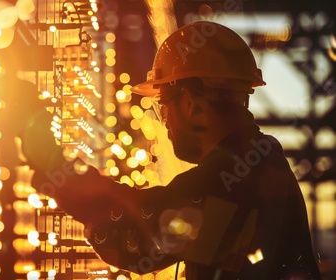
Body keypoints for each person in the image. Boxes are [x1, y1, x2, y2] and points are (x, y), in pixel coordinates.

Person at [22, 21, 322, 279]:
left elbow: (141, 236)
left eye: (163, 105)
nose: (163, 121)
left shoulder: (231, 177)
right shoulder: (257, 161)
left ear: (190, 102)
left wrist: (53, 164)